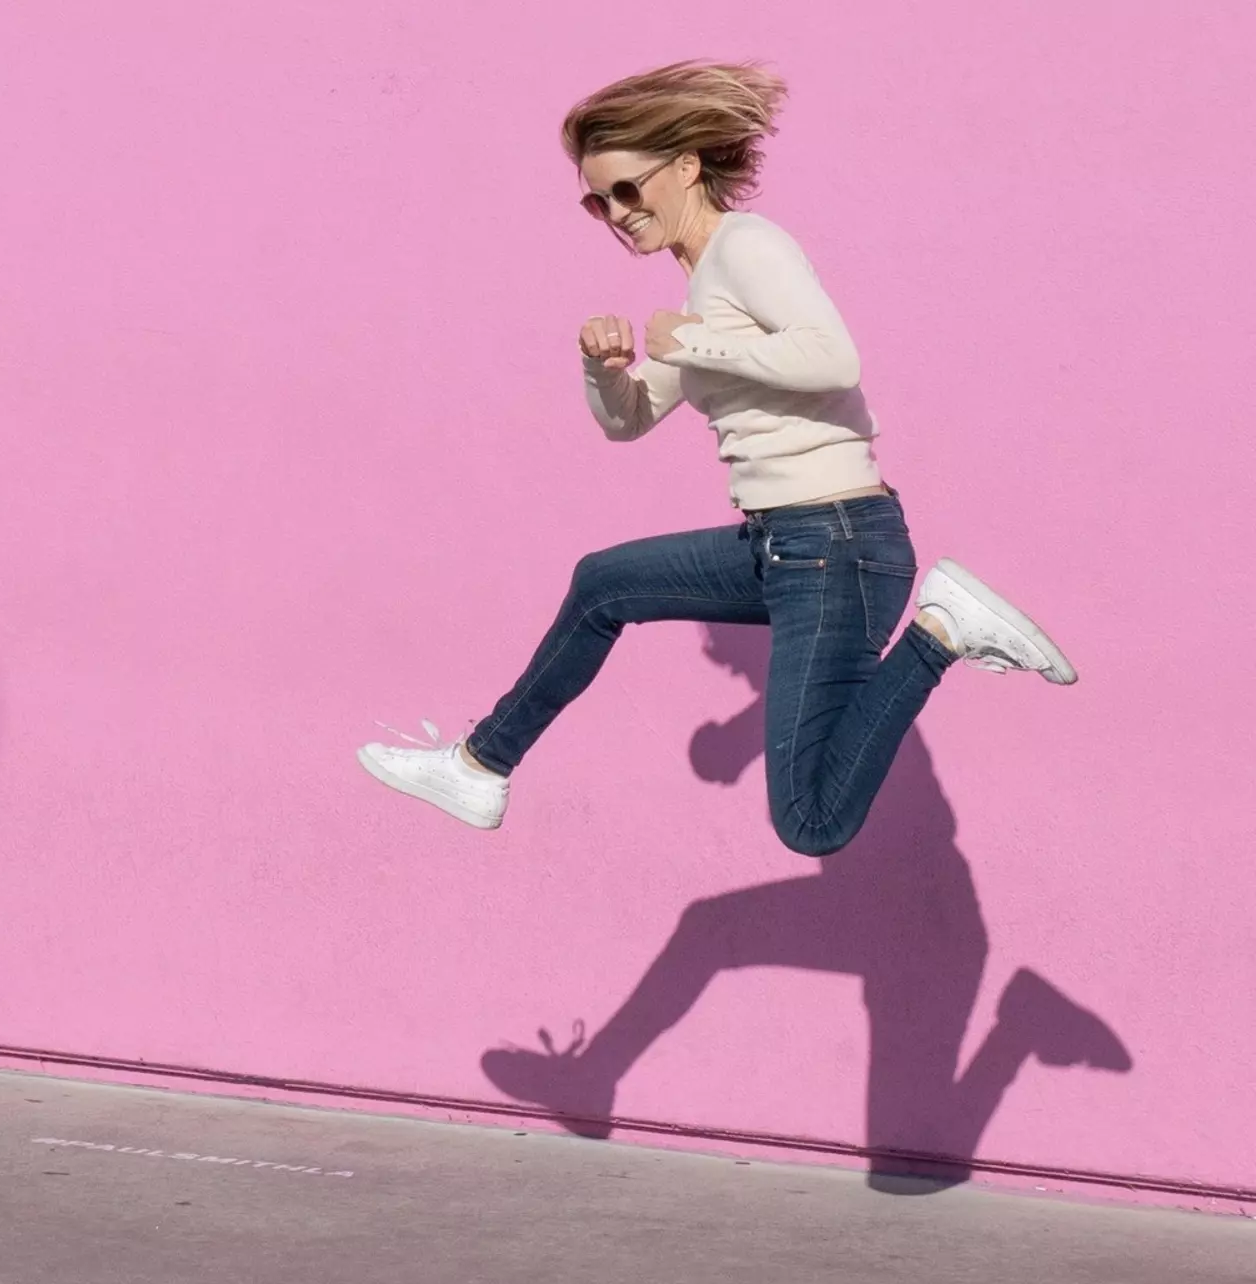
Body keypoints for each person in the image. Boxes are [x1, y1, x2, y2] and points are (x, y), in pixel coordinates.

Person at [357, 61, 1076, 856]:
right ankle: (480, 766)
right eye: (599, 202)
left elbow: (833, 359)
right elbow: (627, 421)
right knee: (605, 584)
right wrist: (603, 369)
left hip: (835, 542)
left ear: (687, 166)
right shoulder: (701, 288)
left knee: (811, 823)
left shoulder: (747, 246)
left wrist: (695, 340)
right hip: (786, 544)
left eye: (629, 189)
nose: (618, 214)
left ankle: (942, 632)